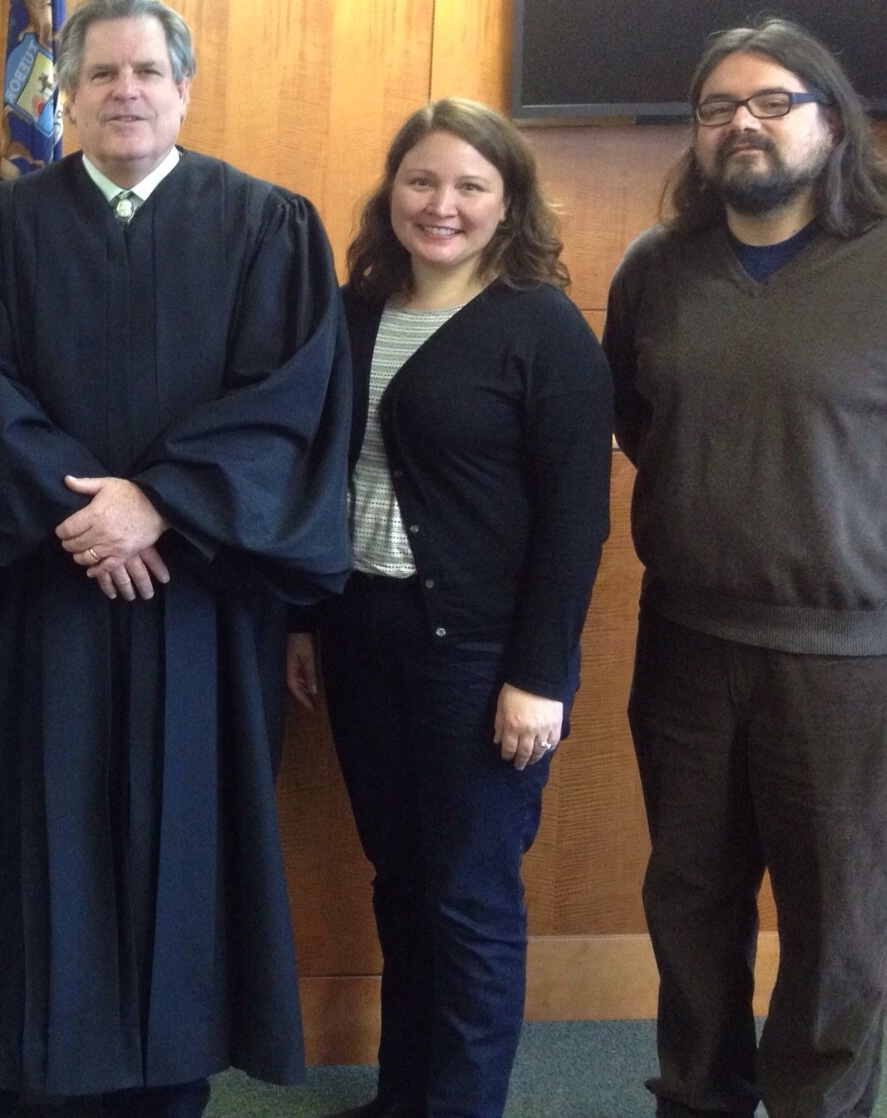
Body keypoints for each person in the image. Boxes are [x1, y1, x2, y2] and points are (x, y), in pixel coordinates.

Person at [0, 0, 354, 1117]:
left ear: (184, 90)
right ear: (64, 94)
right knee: (42, 837)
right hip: (46, 593)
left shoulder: (268, 227)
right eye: (102, 73)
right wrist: (89, 516)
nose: (125, 91)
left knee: (188, 841)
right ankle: (36, 1073)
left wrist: (159, 505)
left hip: (199, 597)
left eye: (147, 72)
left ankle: (167, 1081)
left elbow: (288, 401)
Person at [604, 17, 887, 1118]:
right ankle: (697, 1099)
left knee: (837, 928)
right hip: (685, 647)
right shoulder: (655, 270)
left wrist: (880, 569)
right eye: (717, 107)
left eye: (773, 101)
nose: (743, 122)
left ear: (832, 120)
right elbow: (640, 423)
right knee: (688, 908)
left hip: (856, 670)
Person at [285, 99, 612, 1118]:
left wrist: (538, 677)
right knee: (399, 880)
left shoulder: (543, 328)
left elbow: (576, 523)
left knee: (467, 899)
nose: (442, 204)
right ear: (390, 191)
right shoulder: (350, 313)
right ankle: (404, 1098)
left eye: (471, 186)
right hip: (360, 635)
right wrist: (303, 620)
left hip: (480, 659)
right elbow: (311, 479)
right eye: (421, 180)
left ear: (508, 204)